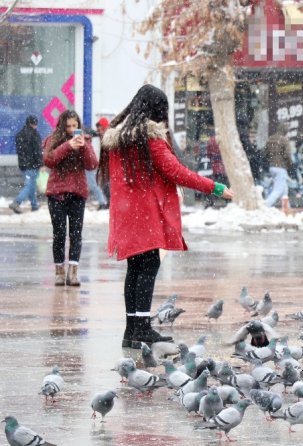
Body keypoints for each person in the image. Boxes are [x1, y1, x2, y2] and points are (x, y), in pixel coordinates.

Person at [99, 84, 234, 348]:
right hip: (146, 215)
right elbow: (177, 172)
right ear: (157, 110)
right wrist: (215, 187)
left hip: (126, 214)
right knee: (148, 268)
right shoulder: (150, 140)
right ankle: (142, 329)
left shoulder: (118, 140)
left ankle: (132, 330)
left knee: (135, 269)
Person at [43, 110, 98, 287]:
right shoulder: (54, 139)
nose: (72, 129)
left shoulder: (85, 140)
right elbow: (49, 160)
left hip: (77, 193)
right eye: (68, 126)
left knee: (76, 234)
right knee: (59, 234)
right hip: (57, 193)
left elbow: (92, 165)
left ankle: (73, 272)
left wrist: (84, 146)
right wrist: (67, 146)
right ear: (62, 126)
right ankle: (59, 271)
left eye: (75, 126)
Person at [9, 115, 43, 214]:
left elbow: (20, 151)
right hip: (32, 165)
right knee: (29, 186)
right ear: (34, 124)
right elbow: (37, 151)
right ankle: (16, 202)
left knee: (31, 185)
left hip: (23, 165)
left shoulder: (20, 134)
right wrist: (40, 163)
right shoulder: (34, 135)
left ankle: (34, 205)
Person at [264, 122, 292, 207]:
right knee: (278, 190)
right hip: (281, 167)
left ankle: (286, 208)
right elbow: (287, 155)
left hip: (272, 166)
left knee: (284, 189)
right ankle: (265, 205)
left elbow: (265, 153)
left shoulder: (270, 139)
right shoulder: (284, 140)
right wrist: (289, 165)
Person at [95, 118, 111, 206]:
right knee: (104, 185)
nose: (98, 130)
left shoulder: (108, 136)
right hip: (104, 167)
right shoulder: (101, 136)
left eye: (100, 127)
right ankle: (108, 202)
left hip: (108, 167)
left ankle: (109, 202)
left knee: (107, 185)